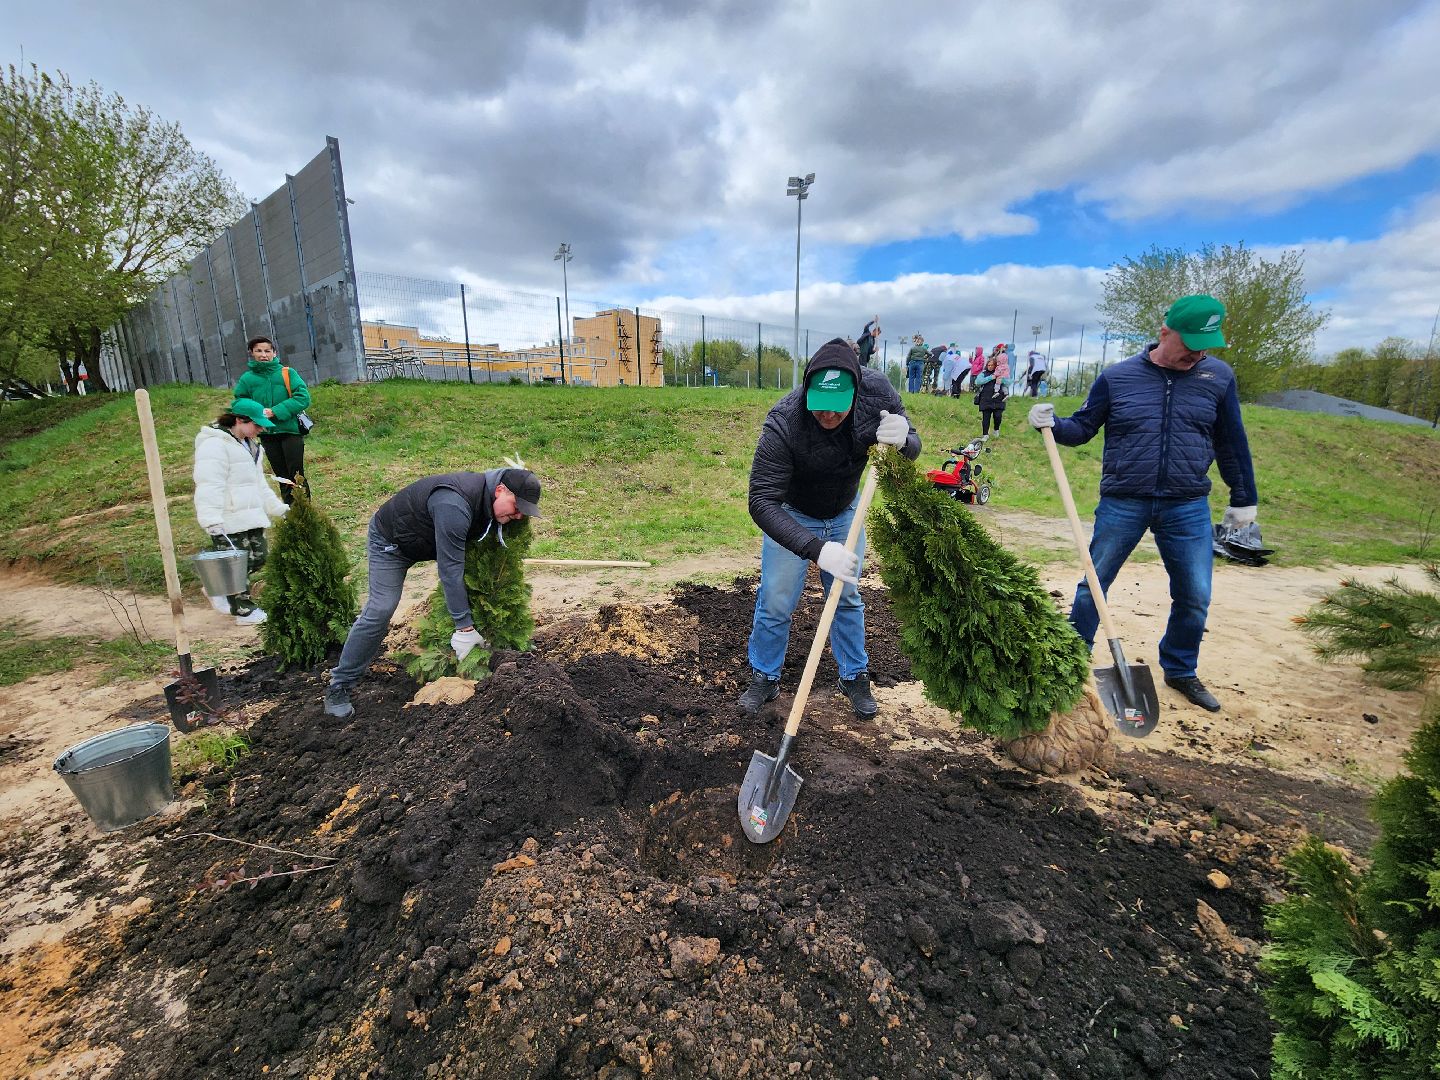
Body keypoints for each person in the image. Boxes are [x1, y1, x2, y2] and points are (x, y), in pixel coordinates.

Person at [1028, 294, 1258, 713]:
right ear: (1164, 331)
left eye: (1205, 344)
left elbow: (1231, 441)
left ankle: (1180, 668)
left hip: (1186, 504)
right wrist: (1053, 425)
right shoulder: (1117, 378)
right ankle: (1070, 661)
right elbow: (1082, 428)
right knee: (1092, 586)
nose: (1197, 352)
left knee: (1195, 593)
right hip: (1124, 500)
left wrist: (1244, 498)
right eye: (1190, 342)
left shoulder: (1218, 378)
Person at [739, 338, 921, 719]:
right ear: (807, 390)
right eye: (819, 405)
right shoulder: (784, 422)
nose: (827, 414)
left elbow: (911, 443)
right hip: (793, 512)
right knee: (775, 599)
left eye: (837, 408)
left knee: (846, 597)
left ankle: (854, 676)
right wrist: (817, 549)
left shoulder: (877, 394)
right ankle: (765, 676)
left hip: (845, 511)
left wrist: (905, 439)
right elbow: (761, 501)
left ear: (856, 392)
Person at [322, 468, 544, 718]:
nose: (518, 516)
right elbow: (450, 570)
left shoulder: (492, 500)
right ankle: (339, 685)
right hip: (392, 543)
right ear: (500, 490)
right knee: (381, 608)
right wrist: (464, 628)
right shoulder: (454, 504)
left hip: (429, 539)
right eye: (516, 506)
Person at [192, 398, 289, 625]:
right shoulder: (214, 445)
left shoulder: (253, 446)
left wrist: (278, 508)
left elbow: (259, 483)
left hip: (251, 514)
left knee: (259, 558)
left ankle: (214, 585)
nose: (260, 430)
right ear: (239, 421)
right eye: (256, 425)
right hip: (228, 516)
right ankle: (243, 610)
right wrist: (211, 519)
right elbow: (209, 483)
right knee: (235, 565)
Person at [233, 336, 312, 503]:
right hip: (267, 434)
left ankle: (306, 512)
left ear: (274, 353)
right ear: (252, 353)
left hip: (290, 431)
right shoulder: (247, 379)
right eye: (258, 351)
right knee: (281, 476)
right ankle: (290, 512)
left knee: (296, 475)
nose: (263, 355)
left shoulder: (287, 373)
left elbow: (303, 398)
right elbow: (239, 402)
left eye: (267, 351)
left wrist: (275, 411)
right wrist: (255, 412)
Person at [973, 356, 1007, 436]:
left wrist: (1001, 378)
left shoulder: (1000, 372)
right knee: (986, 418)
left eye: (992, 365)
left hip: (998, 399)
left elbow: (1008, 382)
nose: (990, 367)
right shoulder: (983, 374)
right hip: (986, 399)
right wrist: (991, 377)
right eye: (989, 365)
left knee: (998, 416)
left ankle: (996, 430)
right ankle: (985, 434)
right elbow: (978, 382)